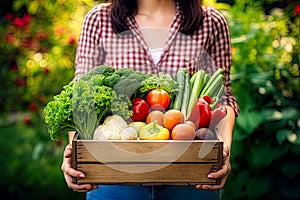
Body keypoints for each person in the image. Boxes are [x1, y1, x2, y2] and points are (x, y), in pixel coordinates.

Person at [61, 0, 240, 199]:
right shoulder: (99, 19)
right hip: (113, 179)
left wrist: (223, 151)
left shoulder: (211, 22)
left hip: (190, 178)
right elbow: (78, 97)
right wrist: (77, 154)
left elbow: (224, 100)